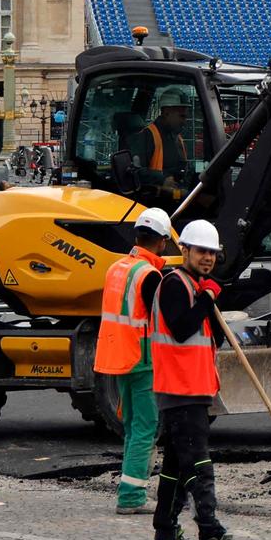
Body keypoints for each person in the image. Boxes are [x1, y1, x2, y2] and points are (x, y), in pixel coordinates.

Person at [146, 218, 243, 540]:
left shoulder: (195, 286)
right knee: (198, 465)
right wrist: (208, 296)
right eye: (201, 251)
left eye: (212, 253)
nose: (208, 258)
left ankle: (165, 536)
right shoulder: (174, 284)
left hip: (195, 390)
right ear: (184, 249)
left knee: (175, 466)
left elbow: (209, 339)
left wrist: (211, 300)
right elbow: (183, 328)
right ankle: (212, 538)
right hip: (180, 390)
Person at [94, 207, 173, 513]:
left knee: (132, 426)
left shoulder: (117, 268)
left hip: (117, 356)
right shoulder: (149, 275)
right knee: (145, 427)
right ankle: (131, 497)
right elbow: (162, 318)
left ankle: (132, 487)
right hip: (141, 359)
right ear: (162, 242)